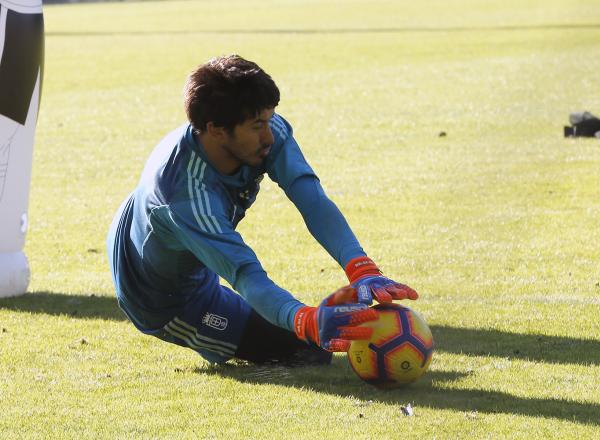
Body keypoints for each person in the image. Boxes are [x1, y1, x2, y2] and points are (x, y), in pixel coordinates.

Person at [107, 55, 418, 367]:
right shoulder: (186, 197)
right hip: (159, 293)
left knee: (304, 336)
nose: (270, 135)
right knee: (309, 351)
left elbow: (311, 198)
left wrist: (361, 268)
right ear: (215, 130)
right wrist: (305, 321)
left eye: (269, 119)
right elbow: (245, 274)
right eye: (257, 125)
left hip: (155, 228)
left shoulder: (263, 134)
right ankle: (212, 333)